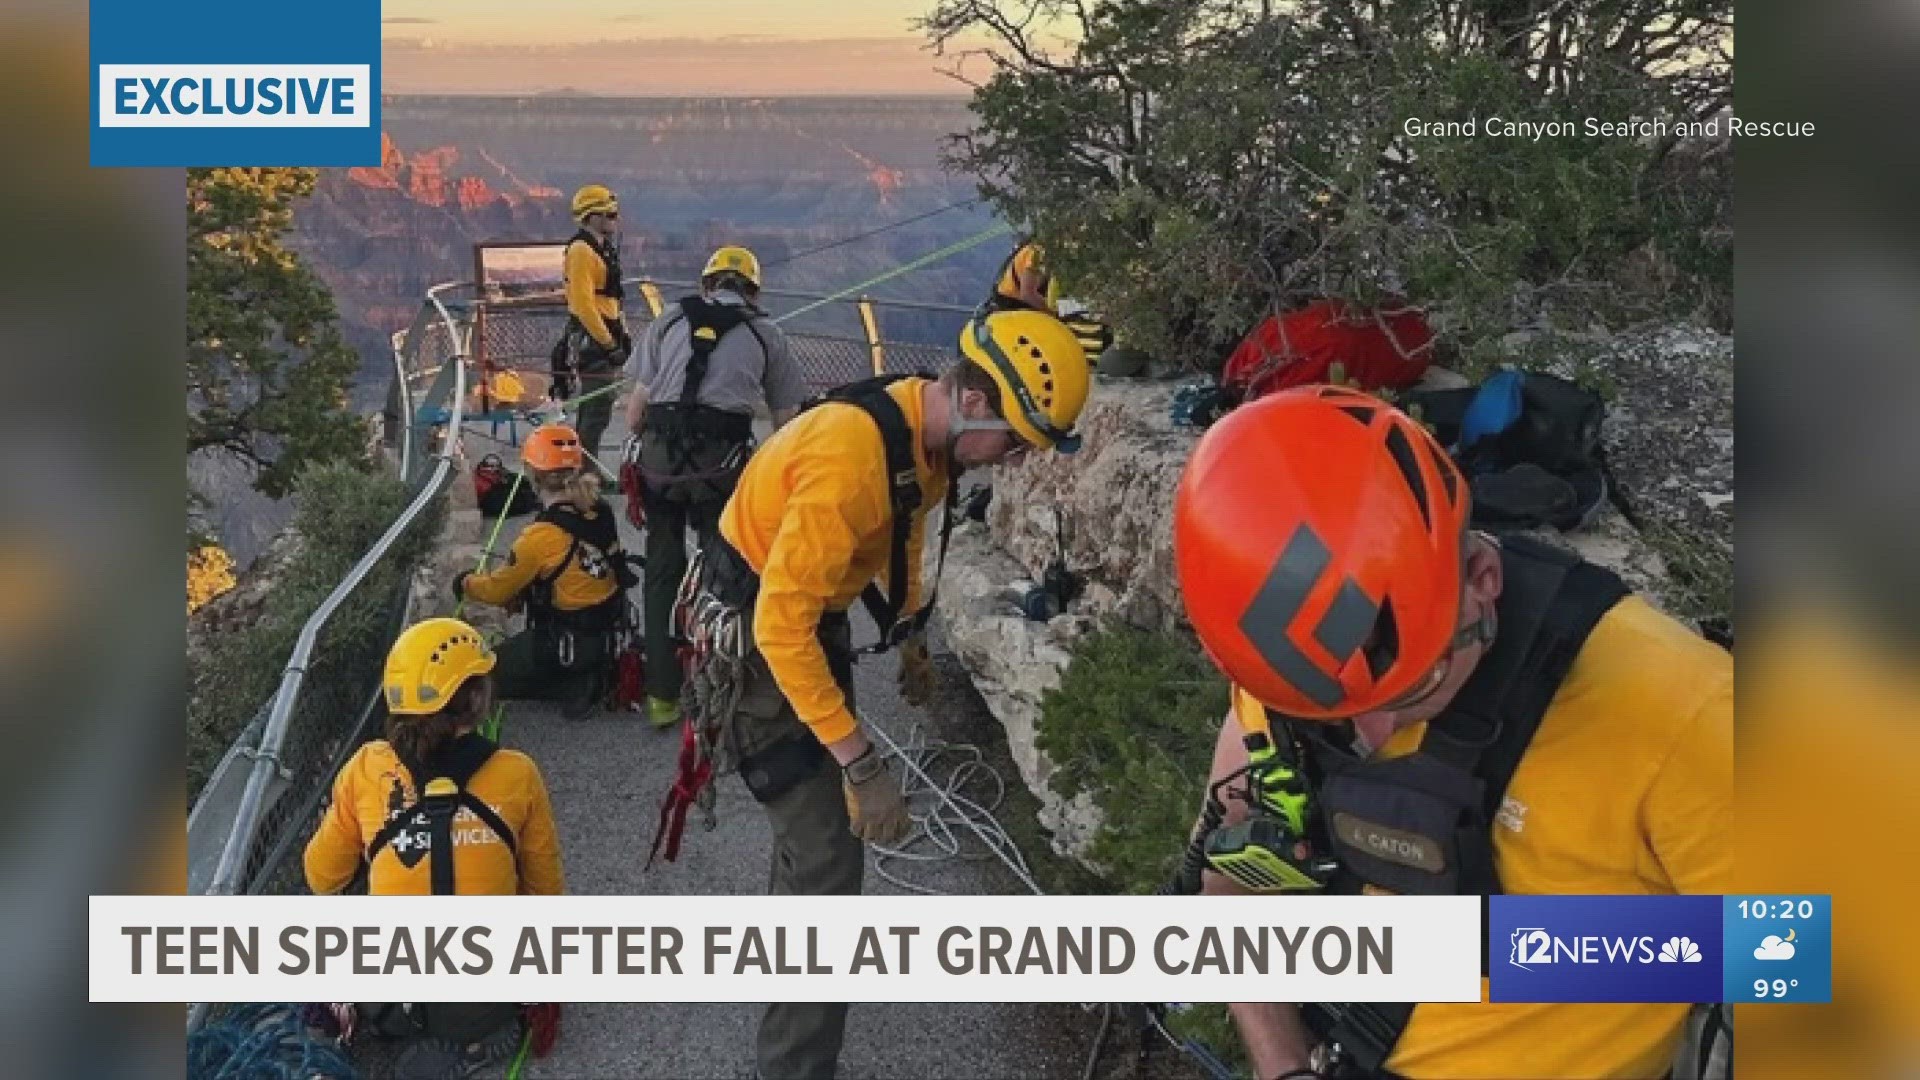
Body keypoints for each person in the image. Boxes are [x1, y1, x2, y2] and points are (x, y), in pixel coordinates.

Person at [1170, 386, 1733, 1080]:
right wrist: (1284, 1064)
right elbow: (1231, 884)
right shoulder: (1295, 669)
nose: (1369, 733)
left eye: (1408, 691)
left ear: (1482, 578)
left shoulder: (1679, 712)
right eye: (1328, 718)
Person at [678, 308, 1089, 1079]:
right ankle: (794, 1068)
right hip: (764, 649)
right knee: (831, 866)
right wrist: (862, 766)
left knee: (811, 856)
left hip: (800, 625)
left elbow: (901, 521)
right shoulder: (849, 461)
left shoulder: (917, 429)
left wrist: (907, 630)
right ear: (974, 402)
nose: (1013, 462)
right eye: (1015, 441)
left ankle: (789, 1011)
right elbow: (780, 629)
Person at [304, 617, 565, 1079]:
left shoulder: (366, 768)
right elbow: (545, 891)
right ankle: (475, 1044)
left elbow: (323, 876)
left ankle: (340, 1023)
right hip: (483, 1006)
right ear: (476, 698)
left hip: (388, 1003)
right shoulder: (516, 773)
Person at [620, 244, 806, 729]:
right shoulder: (767, 334)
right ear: (752, 291)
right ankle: (716, 689)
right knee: (720, 573)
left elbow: (635, 413)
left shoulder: (669, 320)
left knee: (662, 570)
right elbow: (787, 427)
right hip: (719, 467)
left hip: (660, 464)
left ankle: (662, 696)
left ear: (708, 284)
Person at [454, 425, 637, 719]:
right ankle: (593, 671)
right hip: (607, 627)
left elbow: (496, 589)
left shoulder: (538, 537)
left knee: (478, 678)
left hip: (566, 639)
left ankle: (573, 681)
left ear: (531, 472)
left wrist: (464, 583)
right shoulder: (598, 509)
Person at [555, 183, 630, 463]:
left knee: (601, 407)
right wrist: (609, 344)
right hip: (594, 338)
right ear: (590, 217)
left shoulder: (601, 247)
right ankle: (584, 473)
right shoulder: (581, 251)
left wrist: (620, 331)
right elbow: (584, 304)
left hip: (606, 331)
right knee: (594, 409)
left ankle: (587, 469)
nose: (615, 218)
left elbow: (609, 298)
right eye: (608, 214)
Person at [980, 238, 1111, 360]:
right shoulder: (1036, 253)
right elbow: (1028, 294)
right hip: (1012, 307)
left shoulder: (1052, 253)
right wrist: (1056, 314)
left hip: (1026, 308)